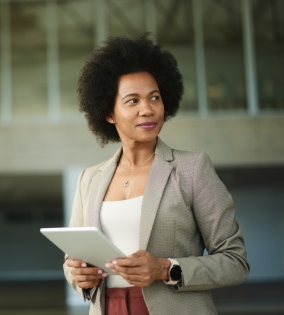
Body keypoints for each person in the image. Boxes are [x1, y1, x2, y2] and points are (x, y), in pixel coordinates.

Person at [63, 33, 249, 315]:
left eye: (154, 98)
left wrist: (166, 268)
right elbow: (72, 261)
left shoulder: (192, 169)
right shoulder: (89, 179)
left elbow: (235, 262)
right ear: (108, 113)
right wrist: (79, 277)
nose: (147, 110)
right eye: (132, 101)